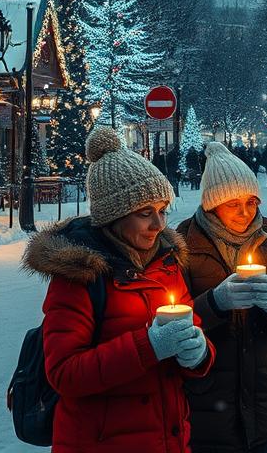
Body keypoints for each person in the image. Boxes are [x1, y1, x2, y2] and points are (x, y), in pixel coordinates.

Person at [24, 127, 212, 453]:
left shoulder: (166, 265)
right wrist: (147, 345)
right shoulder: (80, 276)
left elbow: (190, 331)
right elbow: (64, 374)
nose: (158, 225)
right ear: (115, 217)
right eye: (145, 213)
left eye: (162, 210)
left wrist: (199, 354)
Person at [177, 142, 267, 453]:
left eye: (251, 201)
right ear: (212, 204)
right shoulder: (181, 244)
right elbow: (170, 323)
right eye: (233, 203)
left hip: (263, 400)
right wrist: (215, 303)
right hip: (205, 404)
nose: (246, 213)